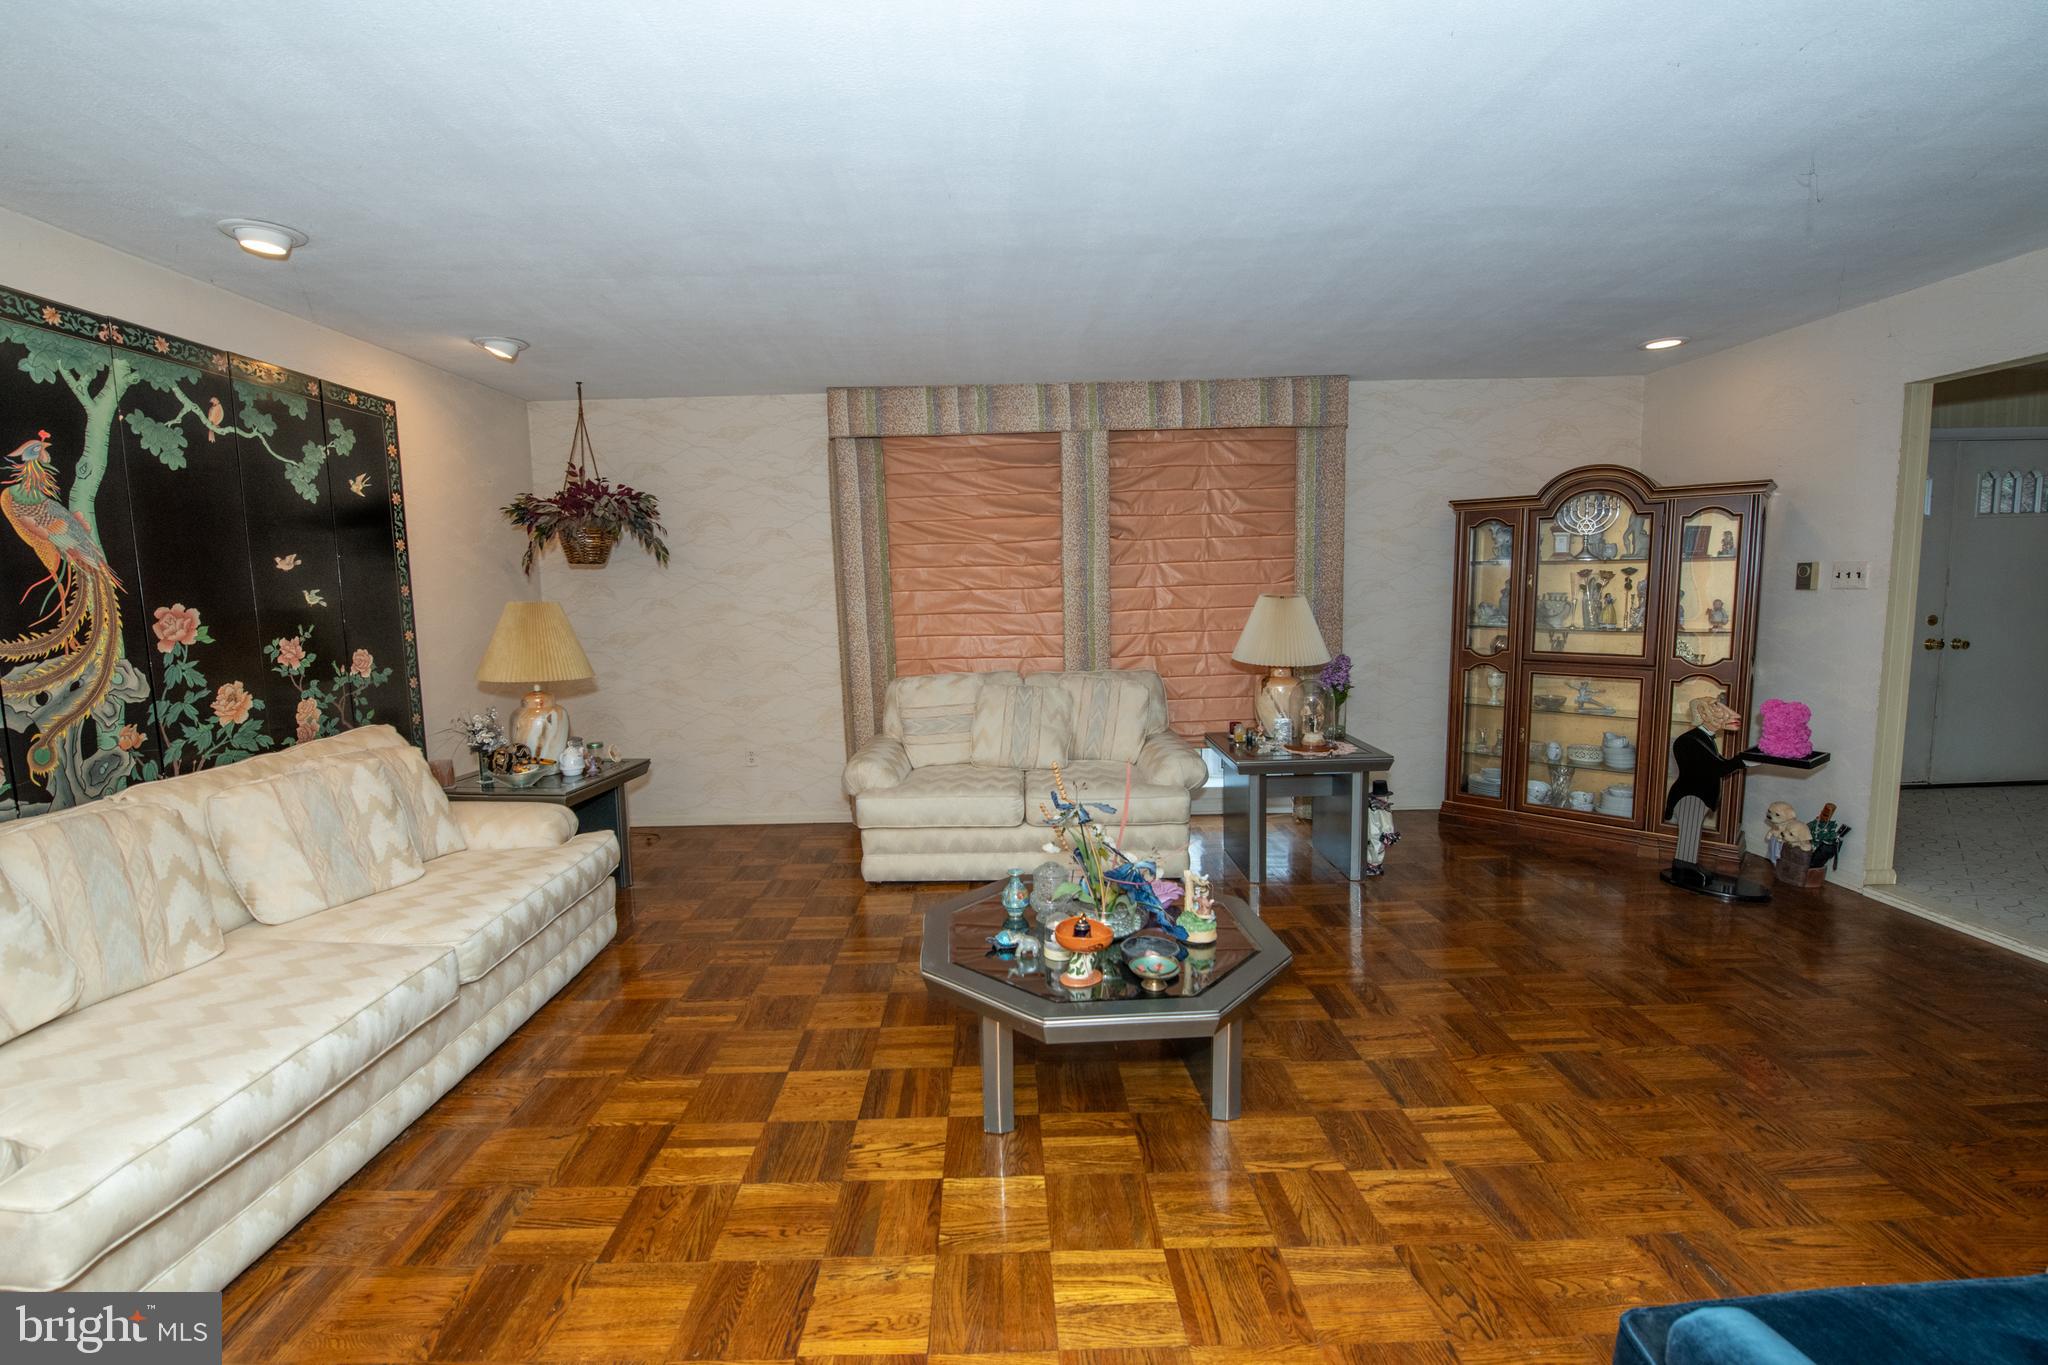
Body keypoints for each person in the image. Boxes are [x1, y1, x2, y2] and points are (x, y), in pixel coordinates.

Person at [1662, 696, 1749, 888]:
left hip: (1698, 797)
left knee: (1691, 834)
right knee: (1689, 834)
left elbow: (1717, 764)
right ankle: (1685, 867)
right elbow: (1717, 768)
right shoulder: (1690, 741)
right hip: (1691, 797)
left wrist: (1746, 759)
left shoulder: (1702, 739)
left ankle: (1687, 865)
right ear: (1702, 714)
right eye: (1717, 710)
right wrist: (1744, 760)